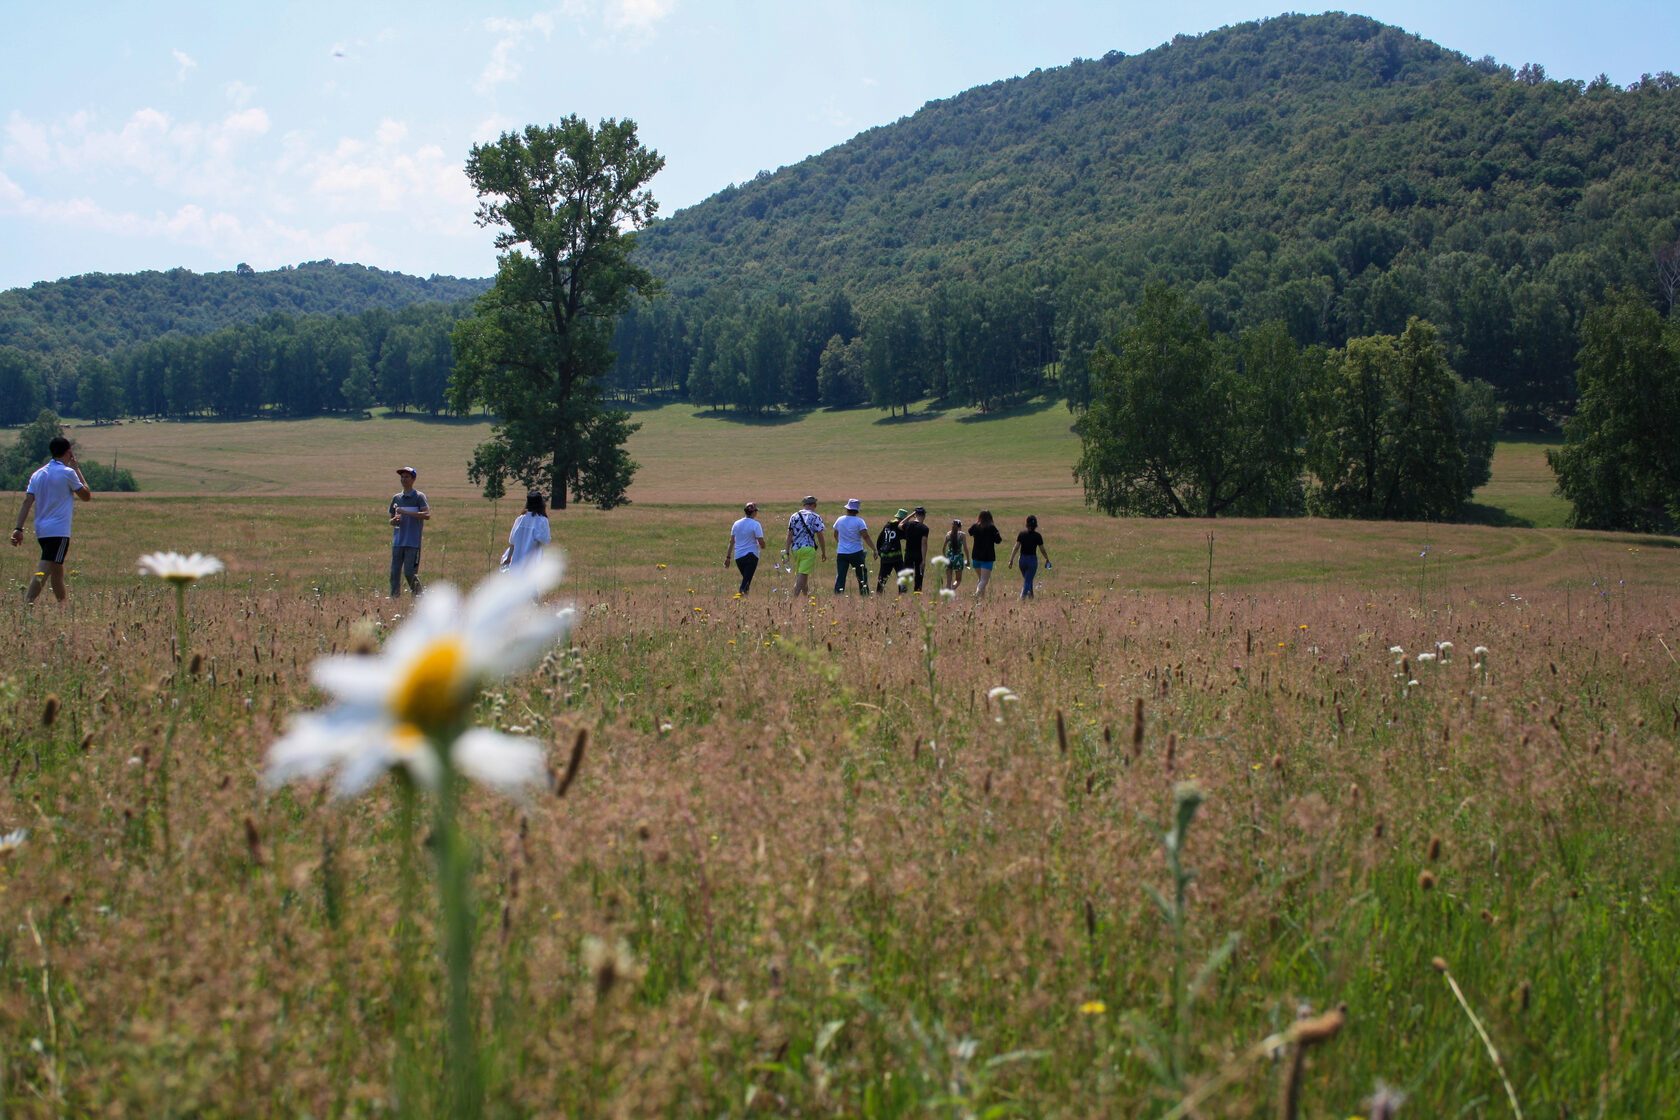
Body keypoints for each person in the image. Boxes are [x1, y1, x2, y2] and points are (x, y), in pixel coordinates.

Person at [9, 436, 92, 604]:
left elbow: (27, 502)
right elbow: (86, 495)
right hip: (59, 531)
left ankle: (63, 607)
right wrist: (77, 470)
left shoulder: (37, 474)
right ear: (69, 453)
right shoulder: (68, 473)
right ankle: (27, 605)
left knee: (57, 572)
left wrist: (18, 528)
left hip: (42, 530)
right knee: (44, 570)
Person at [388, 466, 430, 597]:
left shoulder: (419, 497)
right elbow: (391, 519)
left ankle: (419, 597)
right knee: (394, 573)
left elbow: (426, 515)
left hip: (412, 542)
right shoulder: (397, 498)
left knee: (409, 573)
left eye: (407, 477)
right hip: (398, 541)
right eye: (402, 477)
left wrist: (405, 512)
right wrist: (394, 521)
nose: (404, 479)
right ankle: (395, 600)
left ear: (413, 479)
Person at [783, 495, 827, 597]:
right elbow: (820, 535)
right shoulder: (815, 516)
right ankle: (794, 597)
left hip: (796, 549)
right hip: (808, 548)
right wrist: (824, 552)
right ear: (813, 505)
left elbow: (790, 534)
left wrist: (786, 551)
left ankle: (805, 598)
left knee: (802, 574)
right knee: (803, 575)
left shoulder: (794, 516)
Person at [831, 498, 876, 595]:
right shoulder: (860, 521)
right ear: (857, 510)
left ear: (847, 509)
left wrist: (841, 544)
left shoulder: (840, 519)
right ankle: (864, 594)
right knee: (861, 576)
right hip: (856, 552)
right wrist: (874, 549)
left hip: (842, 553)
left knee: (841, 576)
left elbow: (835, 534)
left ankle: (838, 595)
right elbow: (866, 536)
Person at [1007, 514, 1053, 599]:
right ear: (1035, 525)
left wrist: (1011, 560)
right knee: (1028, 581)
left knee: (1028, 579)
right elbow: (1042, 549)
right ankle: (1022, 598)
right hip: (1032, 561)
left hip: (1022, 560)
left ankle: (1031, 598)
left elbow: (1016, 547)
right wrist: (1047, 559)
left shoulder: (1022, 534)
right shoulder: (1037, 536)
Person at [724, 501, 766, 594]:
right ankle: (740, 599)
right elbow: (760, 541)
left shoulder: (736, 524)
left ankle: (744, 599)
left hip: (738, 557)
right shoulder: (756, 524)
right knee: (746, 582)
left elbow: (732, 542)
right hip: (751, 556)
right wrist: (763, 545)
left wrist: (728, 557)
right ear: (754, 512)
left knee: (746, 579)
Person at [506, 491, 552, 570]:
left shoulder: (519, 519)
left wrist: (508, 558)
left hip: (516, 562)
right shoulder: (542, 520)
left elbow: (512, 542)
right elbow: (546, 540)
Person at [967, 509, 1003, 598]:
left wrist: (977, 523)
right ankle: (976, 594)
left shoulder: (976, 526)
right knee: (984, 580)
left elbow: (969, 531)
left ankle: (981, 599)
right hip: (987, 558)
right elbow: (998, 540)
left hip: (975, 557)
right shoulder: (991, 528)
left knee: (980, 579)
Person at [897, 506, 932, 592]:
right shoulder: (924, 528)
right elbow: (924, 543)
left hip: (908, 554)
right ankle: (917, 592)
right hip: (918, 555)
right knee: (919, 576)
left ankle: (903, 592)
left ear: (915, 515)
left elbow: (899, 525)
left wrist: (910, 516)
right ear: (924, 515)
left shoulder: (908, 525)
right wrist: (924, 560)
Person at [874, 508, 906, 593]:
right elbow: (906, 536)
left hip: (885, 556)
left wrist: (880, 552)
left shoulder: (887, 525)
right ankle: (902, 595)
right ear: (903, 519)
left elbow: (879, 539)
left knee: (882, 578)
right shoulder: (899, 527)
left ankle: (878, 595)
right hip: (896, 557)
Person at [942, 518, 969, 592]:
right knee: (958, 579)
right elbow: (965, 548)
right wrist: (968, 560)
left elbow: (943, 548)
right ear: (960, 526)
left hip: (949, 557)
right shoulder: (962, 535)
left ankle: (947, 594)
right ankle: (952, 589)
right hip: (958, 557)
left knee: (948, 580)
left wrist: (945, 558)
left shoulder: (948, 534)